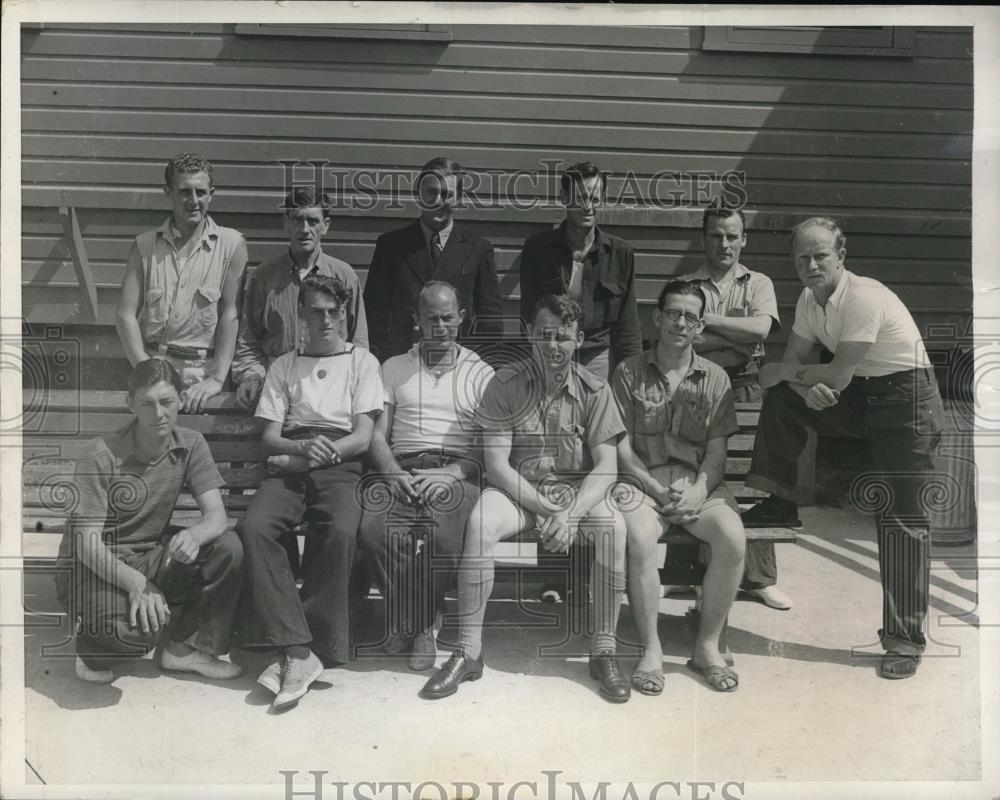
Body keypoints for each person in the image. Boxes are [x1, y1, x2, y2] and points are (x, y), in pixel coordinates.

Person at [746, 217, 944, 680]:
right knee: (782, 401)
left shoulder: (862, 297)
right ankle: (778, 501)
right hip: (859, 396)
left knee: (901, 521)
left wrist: (794, 377)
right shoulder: (809, 300)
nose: (811, 265)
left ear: (841, 256)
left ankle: (904, 641)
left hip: (907, 401)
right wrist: (801, 388)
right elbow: (798, 369)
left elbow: (830, 374)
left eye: (821, 256)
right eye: (802, 257)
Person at [420, 295, 631, 703]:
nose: (553, 346)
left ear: (579, 340)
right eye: (545, 335)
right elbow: (497, 465)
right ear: (531, 336)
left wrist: (570, 513)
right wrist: (549, 510)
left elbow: (606, 467)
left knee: (614, 528)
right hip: (519, 490)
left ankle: (604, 650)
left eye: (564, 337)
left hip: (574, 494)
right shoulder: (506, 383)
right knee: (481, 524)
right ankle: (468, 651)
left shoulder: (595, 389)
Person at [235, 274, 382, 710]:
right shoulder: (284, 364)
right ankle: (300, 649)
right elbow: (270, 437)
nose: (325, 321)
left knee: (339, 530)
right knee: (255, 528)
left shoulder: (362, 363)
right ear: (300, 314)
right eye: (315, 311)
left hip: (340, 463)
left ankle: (308, 642)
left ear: (345, 315)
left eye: (333, 312)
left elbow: (361, 438)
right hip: (293, 458)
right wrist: (298, 449)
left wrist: (309, 459)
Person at [55, 358, 244, 685]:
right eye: (147, 403)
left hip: (147, 556)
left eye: (167, 402)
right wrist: (138, 585)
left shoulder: (191, 444)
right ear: (131, 404)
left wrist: (196, 535)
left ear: (181, 400)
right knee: (137, 634)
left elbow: (217, 517)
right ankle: (90, 645)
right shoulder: (100, 454)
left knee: (227, 546)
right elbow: (87, 547)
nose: (159, 414)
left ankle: (182, 649)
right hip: (89, 568)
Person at [611, 280, 746, 694]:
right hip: (642, 485)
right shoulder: (628, 372)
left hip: (696, 487)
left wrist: (700, 491)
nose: (680, 322)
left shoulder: (716, 378)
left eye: (690, 316)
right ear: (658, 317)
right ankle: (650, 648)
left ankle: (706, 646)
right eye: (673, 313)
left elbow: (718, 453)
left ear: (700, 326)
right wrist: (654, 489)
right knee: (638, 536)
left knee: (733, 538)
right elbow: (620, 448)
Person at [358, 281, 494, 671]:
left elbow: (488, 444)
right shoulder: (393, 367)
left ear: (462, 319)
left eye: (448, 318)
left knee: (441, 536)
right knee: (373, 532)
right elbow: (377, 436)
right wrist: (394, 472)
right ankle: (416, 620)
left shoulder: (481, 372)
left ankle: (414, 626)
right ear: (416, 320)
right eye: (431, 318)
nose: (440, 326)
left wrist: (452, 473)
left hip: (457, 471)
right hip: (402, 467)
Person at [676, 204, 793, 611]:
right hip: (697, 383)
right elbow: (684, 340)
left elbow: (762, 330)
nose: (724, 243)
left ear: (743, 239)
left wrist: (710, 323)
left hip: (746, 384)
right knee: (693, 470)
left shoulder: (758, 282)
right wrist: (737, 336)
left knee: (748, 474)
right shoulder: (686, 284)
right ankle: (684, 572)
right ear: (703, 238)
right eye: (715, 235)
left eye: (732, 236)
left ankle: (759, 578)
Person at [116, 153, 248, 413]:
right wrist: (146, 369)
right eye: (185, 192)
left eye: (201, 192)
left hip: (204, 375)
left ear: (211, 194)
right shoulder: (144, 246)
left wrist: (216, 379)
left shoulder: (232, 245)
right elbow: (125, 315)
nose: (194, 201)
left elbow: (231, 315)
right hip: (154, 366)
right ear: (169, 193)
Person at [232, 186, 368, 412]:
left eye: (313, 221)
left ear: (326, 225)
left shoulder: (344, 276)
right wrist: (252, 377)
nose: (305, 229)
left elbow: (359, 343)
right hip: (278, 392)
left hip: (332, 394)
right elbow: (248, 342)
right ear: (286, 222)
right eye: (297, 220)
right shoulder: (265, 277)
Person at [363, 156, 503, 363]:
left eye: (447, 194)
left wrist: (478, 366)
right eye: (431, 192)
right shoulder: (391, 246)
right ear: (418, 194)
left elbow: (490, 319)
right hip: (402, 362)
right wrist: (379, 360)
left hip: (457, 365)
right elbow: (374, 313)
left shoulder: (478, 248)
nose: (438, 200)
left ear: (459, 199)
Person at [517, 160, 642, 382]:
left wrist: (634, 377)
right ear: (564, 197)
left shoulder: (620, 254)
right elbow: (528, 312)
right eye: (581, 197)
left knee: (593, 411)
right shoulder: (538, 249)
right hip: (550, 348)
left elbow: (627, 326)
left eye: (594, 199)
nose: (588, 206)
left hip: (596, 354)